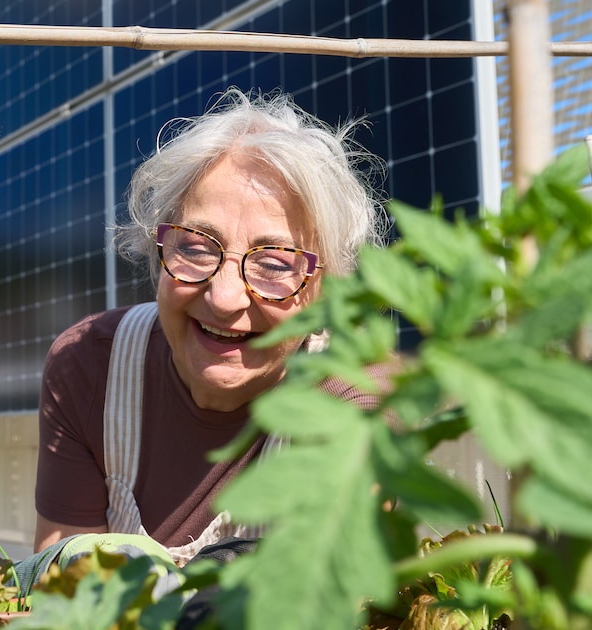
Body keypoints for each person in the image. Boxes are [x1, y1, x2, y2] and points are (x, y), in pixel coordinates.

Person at [32, 88, 389, 566]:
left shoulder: (356, 397)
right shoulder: (89, 366)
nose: (224, 298)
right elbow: (62, 590)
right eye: (196, 248)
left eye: (275, 263)